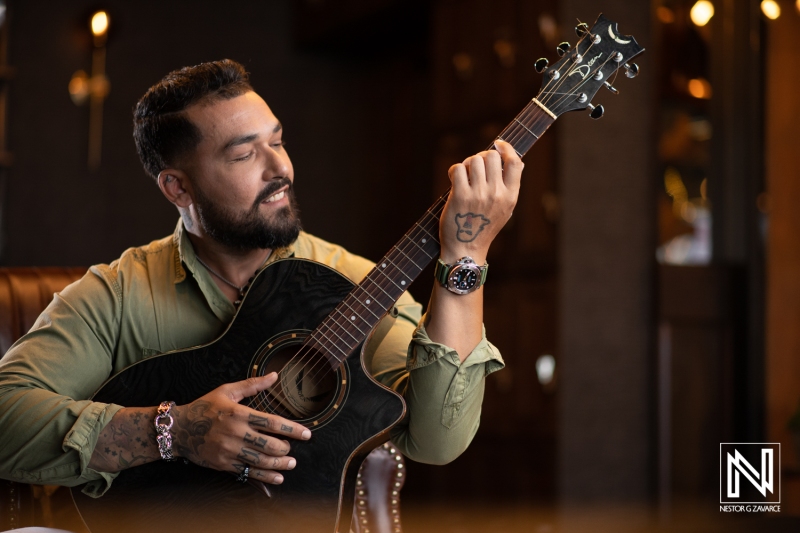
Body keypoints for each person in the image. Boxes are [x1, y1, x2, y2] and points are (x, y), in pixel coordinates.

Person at [0, 60, 520, 502]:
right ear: (177, 186)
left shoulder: (354, 285)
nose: (281, 168)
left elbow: (438, 441)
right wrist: (174, 432)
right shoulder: (116, 294)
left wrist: (466, 254)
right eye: (245, 154)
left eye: (278, 141)